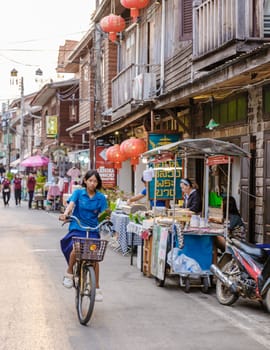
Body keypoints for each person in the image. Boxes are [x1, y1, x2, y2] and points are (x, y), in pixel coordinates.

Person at [59, 169, 108, 302]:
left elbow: (105, 213)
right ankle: (69, 273)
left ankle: (96, 288)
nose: (92, 183)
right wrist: (66, 214)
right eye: (90, 180)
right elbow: (71, 205)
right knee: (76, 249)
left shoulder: (101, 197)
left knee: (94, 257)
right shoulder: (78, 193)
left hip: (93, 229)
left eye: (95, 181)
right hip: (77, 227)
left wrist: (108, 218)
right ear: (85, 181)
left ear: (98, 183)